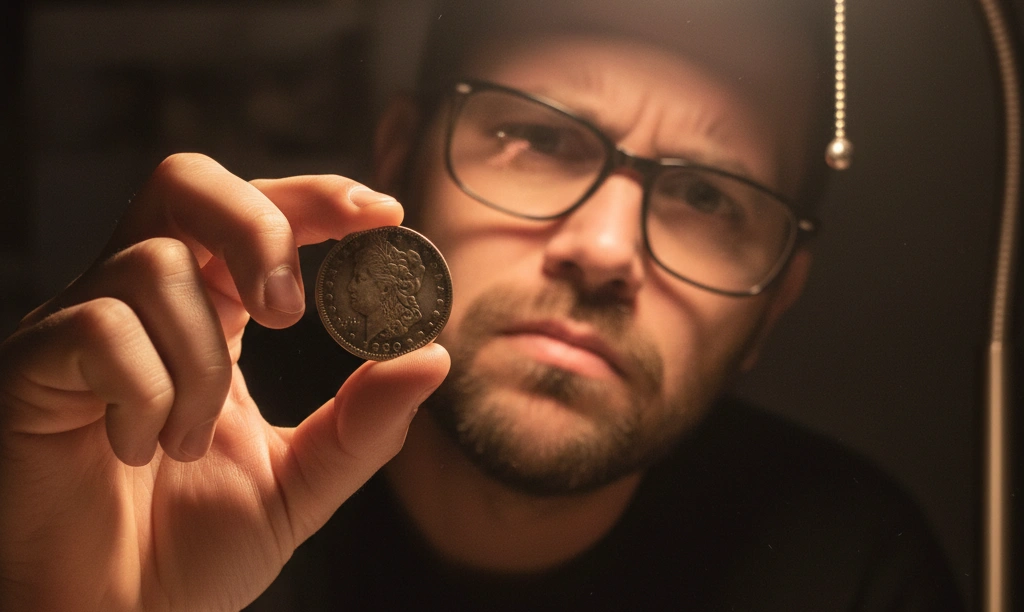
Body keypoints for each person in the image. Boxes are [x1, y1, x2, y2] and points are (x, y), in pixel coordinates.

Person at [0, 0, 963, 610]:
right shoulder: (150, 459)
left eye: (709, 197)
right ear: (398, 160)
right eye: (540, 140)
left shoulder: (853, 570)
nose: (603, 251)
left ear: (779, 297)